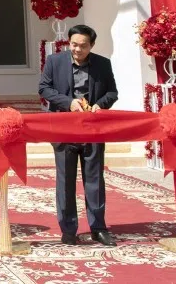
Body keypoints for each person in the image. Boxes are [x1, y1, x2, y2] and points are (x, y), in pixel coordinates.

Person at [39, 24, 118, 247]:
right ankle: (68, 229)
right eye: (74, 44)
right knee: (65, 181)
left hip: (92, 129)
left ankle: (98, 228)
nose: (77, 49)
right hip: (64, 129)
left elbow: (112, 92)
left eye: (83, 46)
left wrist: (100, 105)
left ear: (91, 46)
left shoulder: (102, 64)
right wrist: (68, 102)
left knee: (94, 181)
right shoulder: (55, 62)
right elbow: (44, 88)